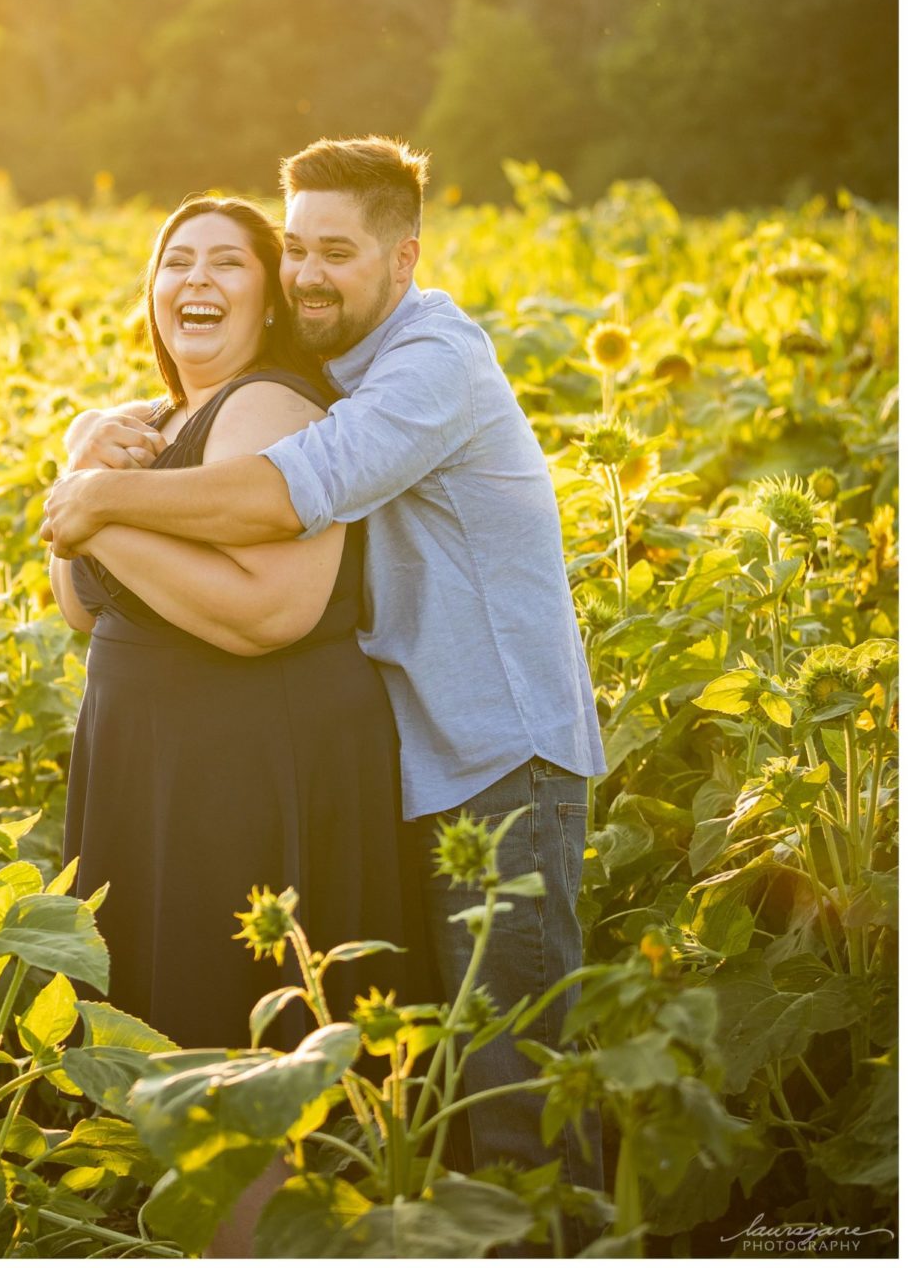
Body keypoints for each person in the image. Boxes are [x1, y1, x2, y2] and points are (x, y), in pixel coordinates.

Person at [42, 137, 608, 1206]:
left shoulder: (432, 361)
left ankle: (564, 1243)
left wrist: (96, 504)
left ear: (403, 261)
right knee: (429, 1073)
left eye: (333, 252)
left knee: (508, 1078)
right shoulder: (336, 364)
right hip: (410, 754)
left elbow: (288, 494)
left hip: (498, 758)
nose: (303, 273)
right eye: (293, 245)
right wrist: (90, 454)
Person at [48, 192, 422, 1053]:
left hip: (245, 765)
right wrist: (81, 472)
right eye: (176, 262)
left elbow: (270, 613)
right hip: (148, 762)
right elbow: (78, 603)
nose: (195, 279)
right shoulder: (149, 425)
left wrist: (95, 510)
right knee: (153, 1007)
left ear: (269, 301)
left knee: (236, 1023)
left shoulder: (265, 406)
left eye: (226, 262)